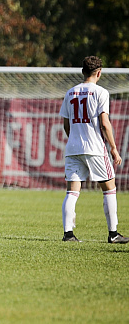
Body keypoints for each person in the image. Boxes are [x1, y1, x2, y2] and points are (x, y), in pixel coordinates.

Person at [59, 56, 128, 243]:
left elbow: (67, 125)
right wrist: (113, 148)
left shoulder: (70, 93)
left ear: (83, 71)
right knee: (109, 188)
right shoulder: (101, 92)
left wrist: (74, 140)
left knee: (72, 192)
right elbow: (105, 124)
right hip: (95, 148)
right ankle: (113, 234)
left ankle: (68, 235)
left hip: (73, 148)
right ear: (99, 73)